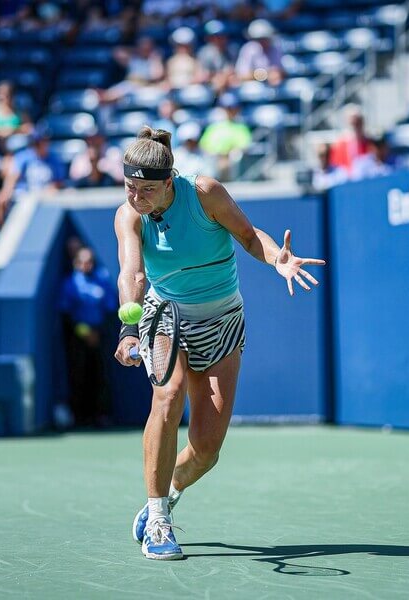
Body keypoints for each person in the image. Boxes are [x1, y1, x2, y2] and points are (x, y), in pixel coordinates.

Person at [113, 126, 325, 560]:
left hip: (222, 319)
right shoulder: (129, 215)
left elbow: (249, 237)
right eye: (130, 187)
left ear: (170, 181)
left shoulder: (205, 192)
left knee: (207, 450)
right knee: (167, 399)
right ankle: (158, 519)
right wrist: (128, 328)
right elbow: (132, 275)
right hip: (165, 313)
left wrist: (277, 260)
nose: (137, 198)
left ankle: (167, 492)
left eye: (146, 190)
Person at [59, 246, 118, 428]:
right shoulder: (70, 283)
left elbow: (109, 309)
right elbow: (66, 315)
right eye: (83, 261)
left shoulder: (102, 280)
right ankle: (80, 417)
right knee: (79, 376)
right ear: (76, 263)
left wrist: (97, 333)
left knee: (101, 375)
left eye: (89, 261)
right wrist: (85, 333)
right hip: (78, 339)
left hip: (100, 335)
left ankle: (101, 415)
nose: (86, 265)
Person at [0, 125, 66, 225]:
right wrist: (6, 192)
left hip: (44, 197)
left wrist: (46, 192)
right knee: (0, 199)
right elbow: (12, 177)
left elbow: (58, 183)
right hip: (25, 196)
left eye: (42, 142)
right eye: (36, 142)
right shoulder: (24, 157)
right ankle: (2, 232)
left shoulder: (54, 160)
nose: (38, 145)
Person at [199, 93, 252, 181]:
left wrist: (226, 156)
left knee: (235, 156)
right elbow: (204, 146)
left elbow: (244, 146)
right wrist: (217, 156)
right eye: (227, 108)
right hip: (215, 159)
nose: (230, 111)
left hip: (231, 161)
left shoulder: (241, 127)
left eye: (232, 108)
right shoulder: (213, 127)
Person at [235, 19, 284, 85]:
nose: (262, 41)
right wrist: (264, 75)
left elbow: (283, 71)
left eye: (265, 38)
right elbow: (241, 75)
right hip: (253, 89)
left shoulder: (276, 48)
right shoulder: (249, 49)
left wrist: (278, 73)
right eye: (259, 39)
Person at [329, 104, 369, 174]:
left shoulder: (369, 143)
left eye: (358, 122)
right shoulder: (339, 145)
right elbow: (336, 166)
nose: (356, 126)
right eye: (353, 123)